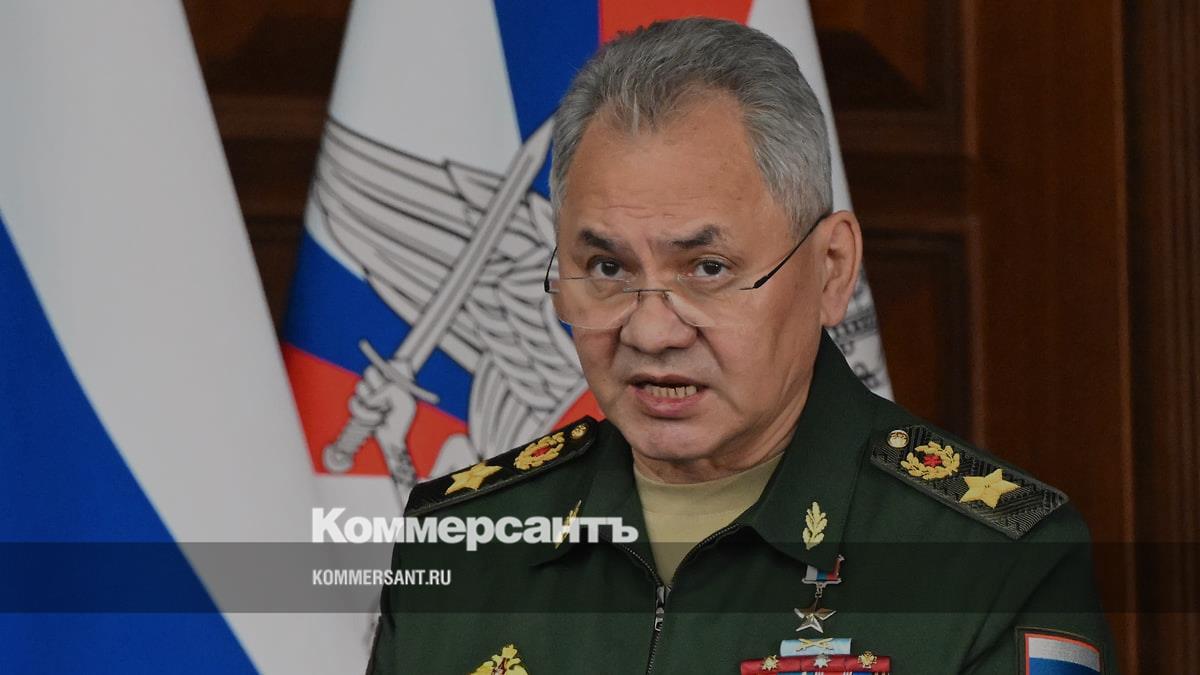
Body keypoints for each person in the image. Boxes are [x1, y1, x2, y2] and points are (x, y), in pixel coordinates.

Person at [368, 18, 1115, 674]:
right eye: (607, 269)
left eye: (708, 269)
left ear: (831, 269)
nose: (651, 331)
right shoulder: (457, 541)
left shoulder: (992, 562)